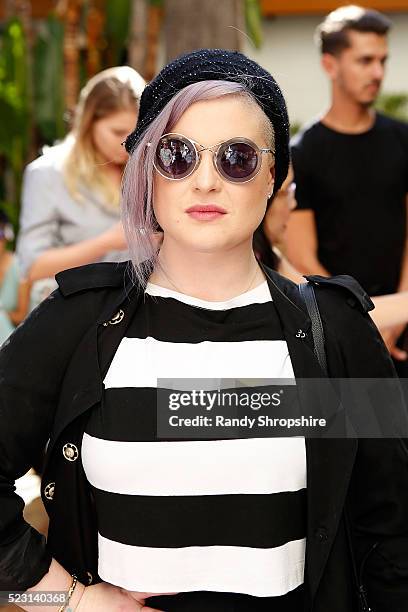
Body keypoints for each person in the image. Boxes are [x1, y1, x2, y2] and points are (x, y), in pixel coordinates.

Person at [0, 49, 408, 612]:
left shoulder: (334, 328)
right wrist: (65, 601)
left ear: (273, 177)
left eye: (237, 157)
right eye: (177, 155)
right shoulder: (78, 320)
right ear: (146, 171)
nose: (206, 181)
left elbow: (392, 532)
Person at [285, 5, 408, 364]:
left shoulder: (402, 139)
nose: (378, 72)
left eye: (382, 60)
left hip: (402, 329)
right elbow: (302, 257)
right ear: (330, 65)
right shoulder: (304, 153)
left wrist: (397, 314)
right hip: (339, 332)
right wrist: (363, 323)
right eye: (365, 60)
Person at [16, 65, 145, 309]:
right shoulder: (48, 173)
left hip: (140, 315)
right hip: (72, 317)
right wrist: (106, 242)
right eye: (117, 131)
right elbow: (31, 266)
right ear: (88, 122)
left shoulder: (151, 171)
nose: (128, 142)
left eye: (137, 132)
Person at [258, 170, 408, 333]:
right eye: (285, 192)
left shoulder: (270, 258)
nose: (293, 203)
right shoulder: (250, 268)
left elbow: (334, 307)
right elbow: (336, 313)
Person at [0, 210, 31, 344]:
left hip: (11, 340)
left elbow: (23, 316)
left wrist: (2, 315)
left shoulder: (20, 267)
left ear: (7, 235)